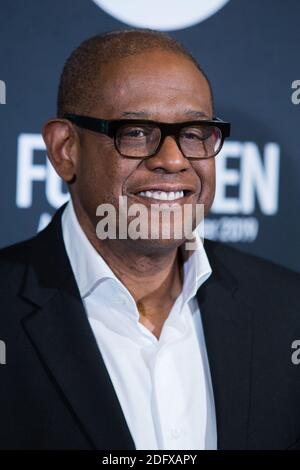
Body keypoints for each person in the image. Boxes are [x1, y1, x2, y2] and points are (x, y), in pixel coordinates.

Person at [0, 29, 300, 451]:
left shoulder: (287, 312)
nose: (173, 160)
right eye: (136, 132)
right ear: (65, 148)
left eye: (195, 133)